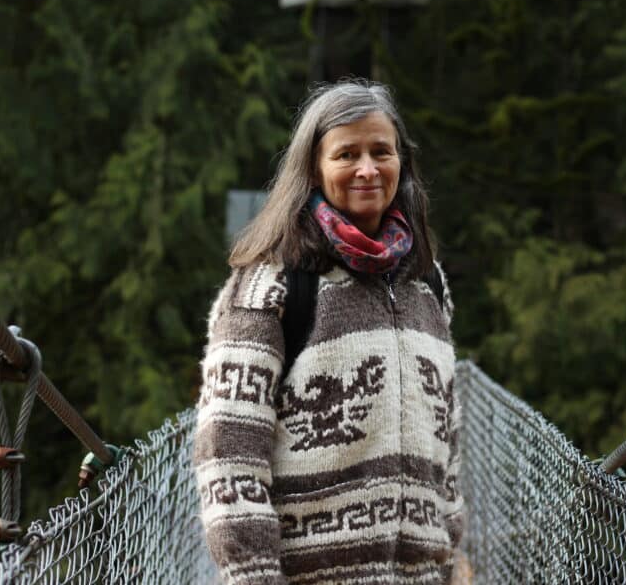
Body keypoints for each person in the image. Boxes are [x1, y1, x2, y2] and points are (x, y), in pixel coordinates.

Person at [193, 80, 463, 585]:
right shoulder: (268, 286)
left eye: (381, 151)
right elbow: (229, 457)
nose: (367, 169)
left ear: (401, 162)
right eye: (346, 154)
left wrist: (448, 555)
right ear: (314, 169)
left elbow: (448, 443)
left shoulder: (427, 283)